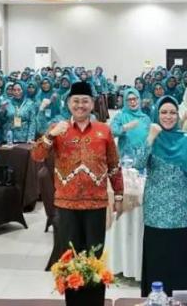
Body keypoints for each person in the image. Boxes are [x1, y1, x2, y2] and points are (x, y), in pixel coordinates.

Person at [32, 82, 124, 256]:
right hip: (66, 203)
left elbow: (114, 165)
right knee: (68, 256)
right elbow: (37, 155)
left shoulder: (104, 130)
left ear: (92, 103)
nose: (80, 105)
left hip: (96, 203)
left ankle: (93, 276)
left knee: (94, 256)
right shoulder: (58, 128)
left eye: (85, 101)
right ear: (68, 103)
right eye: (76, 101)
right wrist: (51, 135)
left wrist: (119, 196)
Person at [138, 96, 187, 296]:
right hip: (156, 211)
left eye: (173, 112)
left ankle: (185, 299)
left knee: (182, 257)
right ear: (156, 114)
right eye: (164, 112)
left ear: (178, 115)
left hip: (182, 209)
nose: (168, 116)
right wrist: (150, 138)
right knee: (158, 256)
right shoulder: (151, 137)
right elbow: (137, 164)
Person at [110, 88, 151, 166]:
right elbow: (111, 132)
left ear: (139, 100)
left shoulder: (145, 118)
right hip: (126, 159)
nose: (132, 102)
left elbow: (150, 139)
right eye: (129, 100)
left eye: (135, 99)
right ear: (125, 102)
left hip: (143, 159)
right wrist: (124, 128)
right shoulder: (120, 116)